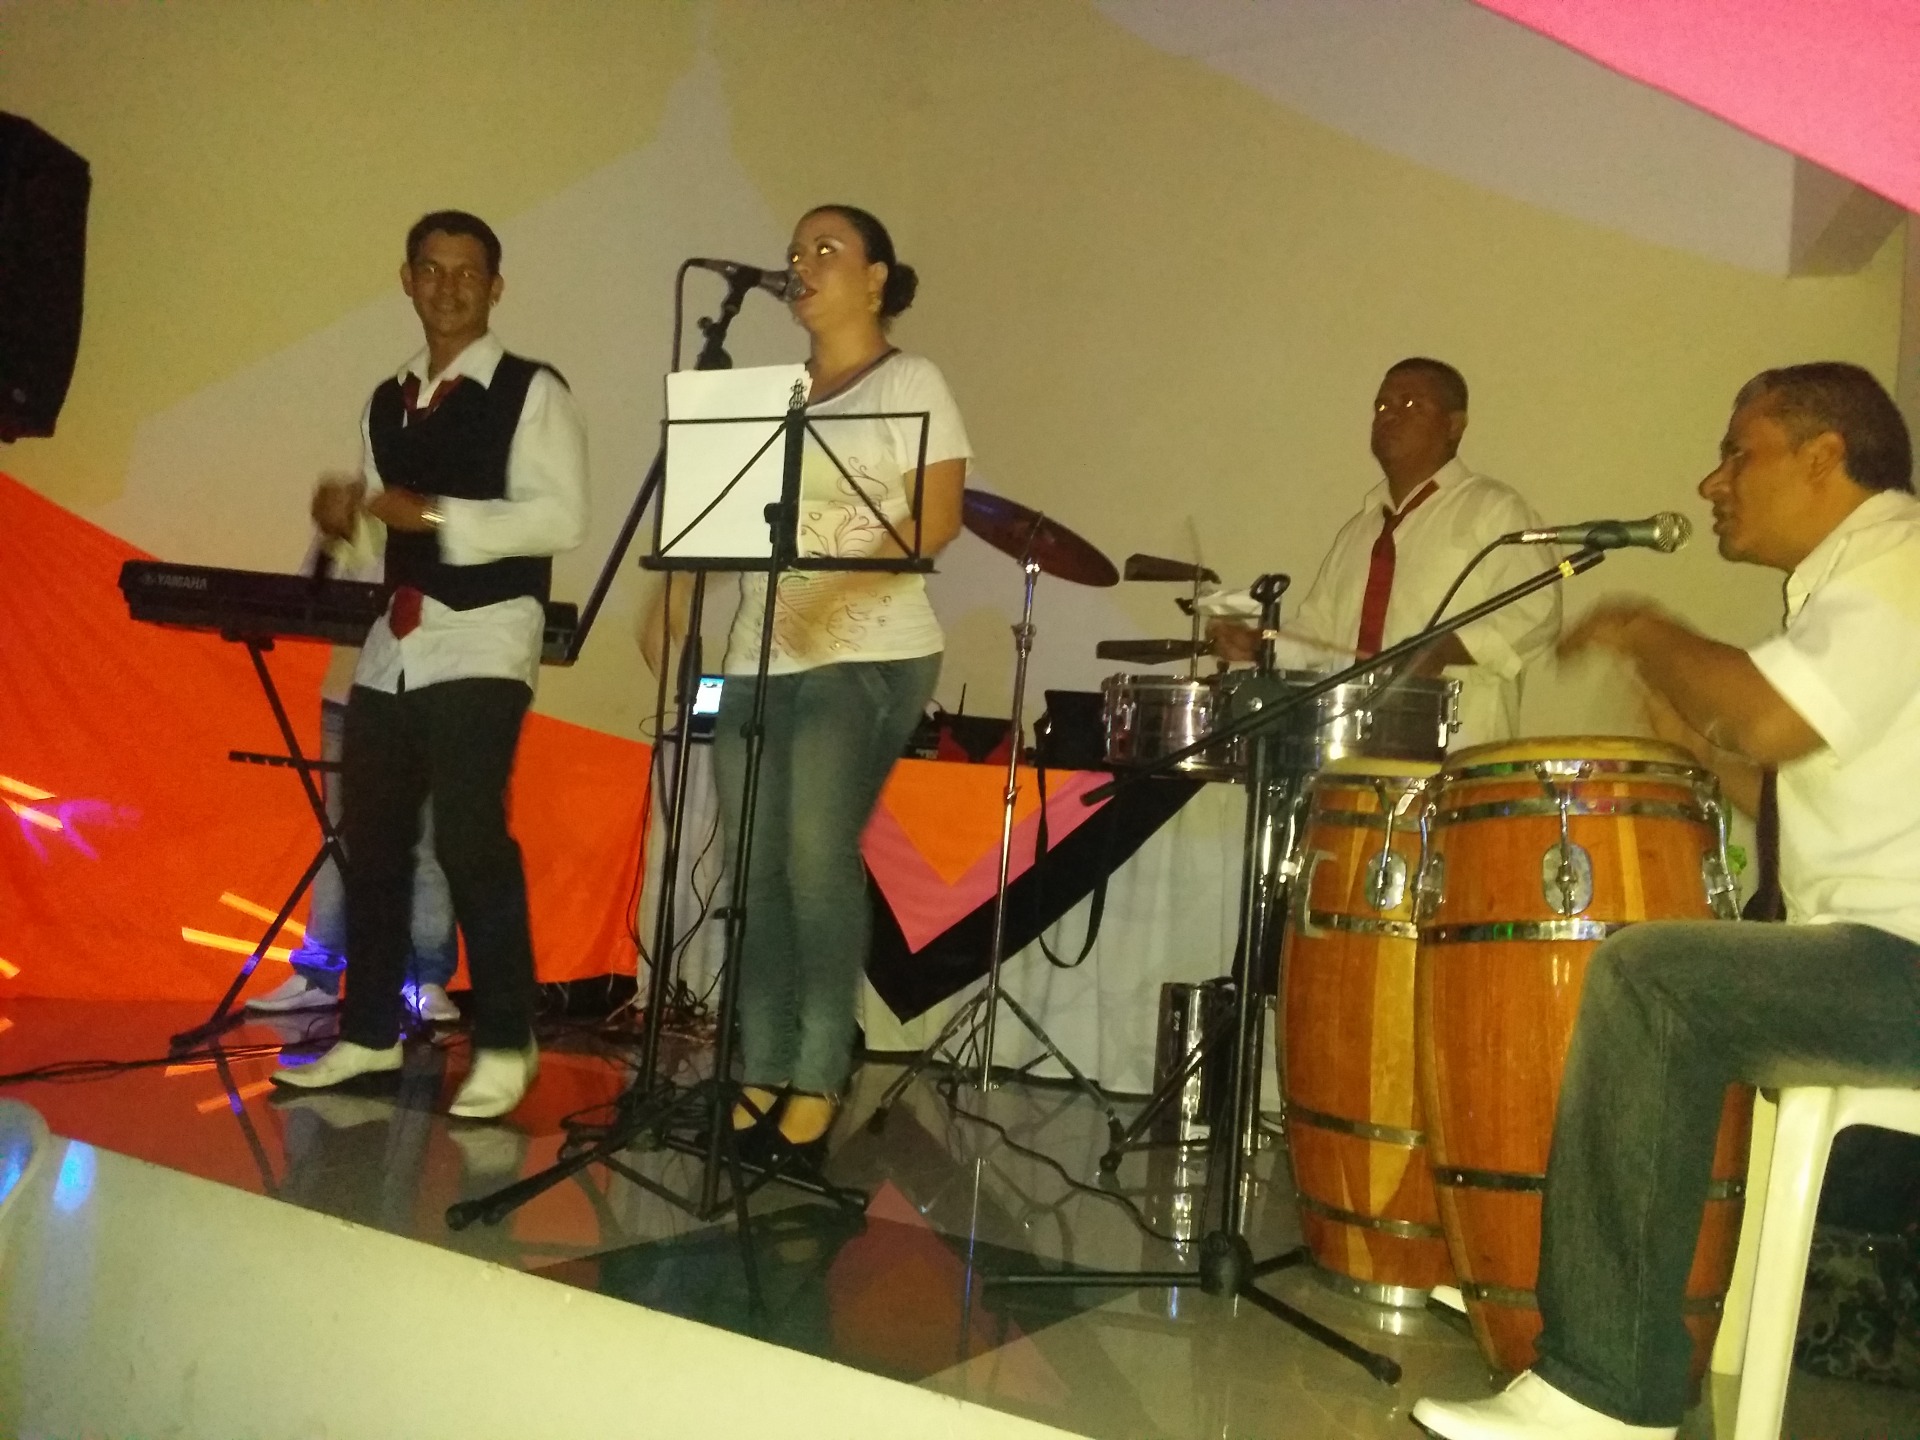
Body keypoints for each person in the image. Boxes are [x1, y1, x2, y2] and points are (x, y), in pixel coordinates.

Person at [1412, 362, 1920, 1440]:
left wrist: (1643, 628)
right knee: (1663, 974)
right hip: (1883, 955)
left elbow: (1770, 720)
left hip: (1905, 965)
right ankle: (1580, 1295)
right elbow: (1790, 785)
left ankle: (1603, 1389)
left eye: (1739, 453)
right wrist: (1698, 752)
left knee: (1654, 979)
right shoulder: (1861, 580)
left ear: (1824, 457)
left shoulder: (1899, 562)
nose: (1712, 481)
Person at [642, 205, 968, 1160]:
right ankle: (761, 1066)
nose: (802, 263)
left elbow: (938, 517)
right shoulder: (773, 394)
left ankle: (820, 1071)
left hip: (869, 651)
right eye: (795, 251)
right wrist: (672, 596)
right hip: (759, 654)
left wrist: (838, 587)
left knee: (816, 858)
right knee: (754, 869)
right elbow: (722, 518)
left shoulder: (910, 380)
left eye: (828, 249)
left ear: (876, 278)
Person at [271, 210, 589, 1119]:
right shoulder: (387, 399)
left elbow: (562, 518)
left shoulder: (531, 390)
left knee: (469, 839)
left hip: (485, 637)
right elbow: (385, 537)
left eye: (467, 272)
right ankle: (368, 1032)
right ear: (407, 280)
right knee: (371, 843)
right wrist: (349, 523)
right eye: (432, 270)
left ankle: (507, 1041)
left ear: (495, 287)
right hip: (397, 644)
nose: (448, 287)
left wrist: (440, 515)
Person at [1208, 359, 1559, 748]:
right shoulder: (1358, 533)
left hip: (1457, 752)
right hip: (1347, 750)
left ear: (1454, 425)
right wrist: (1261, 644)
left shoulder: (1495, 510)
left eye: (1411, 404)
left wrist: (1443, 648)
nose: (1389, 415)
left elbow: (1536, 612)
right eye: (1382, 405)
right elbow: (1319, 633)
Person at [246, 641, 460, 1026]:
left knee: (425, 839)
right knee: (337, 838)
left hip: (431, 691)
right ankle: (318, 975)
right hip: (350, 690)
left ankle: (426, 978)